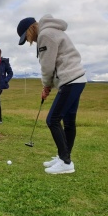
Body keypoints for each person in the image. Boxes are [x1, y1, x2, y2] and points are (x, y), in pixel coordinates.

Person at [17, 14, 87, 174]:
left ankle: (66, 162)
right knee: (69, 122)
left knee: (52, 119)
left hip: (70, 79)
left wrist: (46, 86)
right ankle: (64, 157)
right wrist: (48, 85)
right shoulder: (51, 31)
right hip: (77, 79)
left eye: (26, 37)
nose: (29, 41)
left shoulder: (44, 35)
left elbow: (47, 65)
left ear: (30, 30)